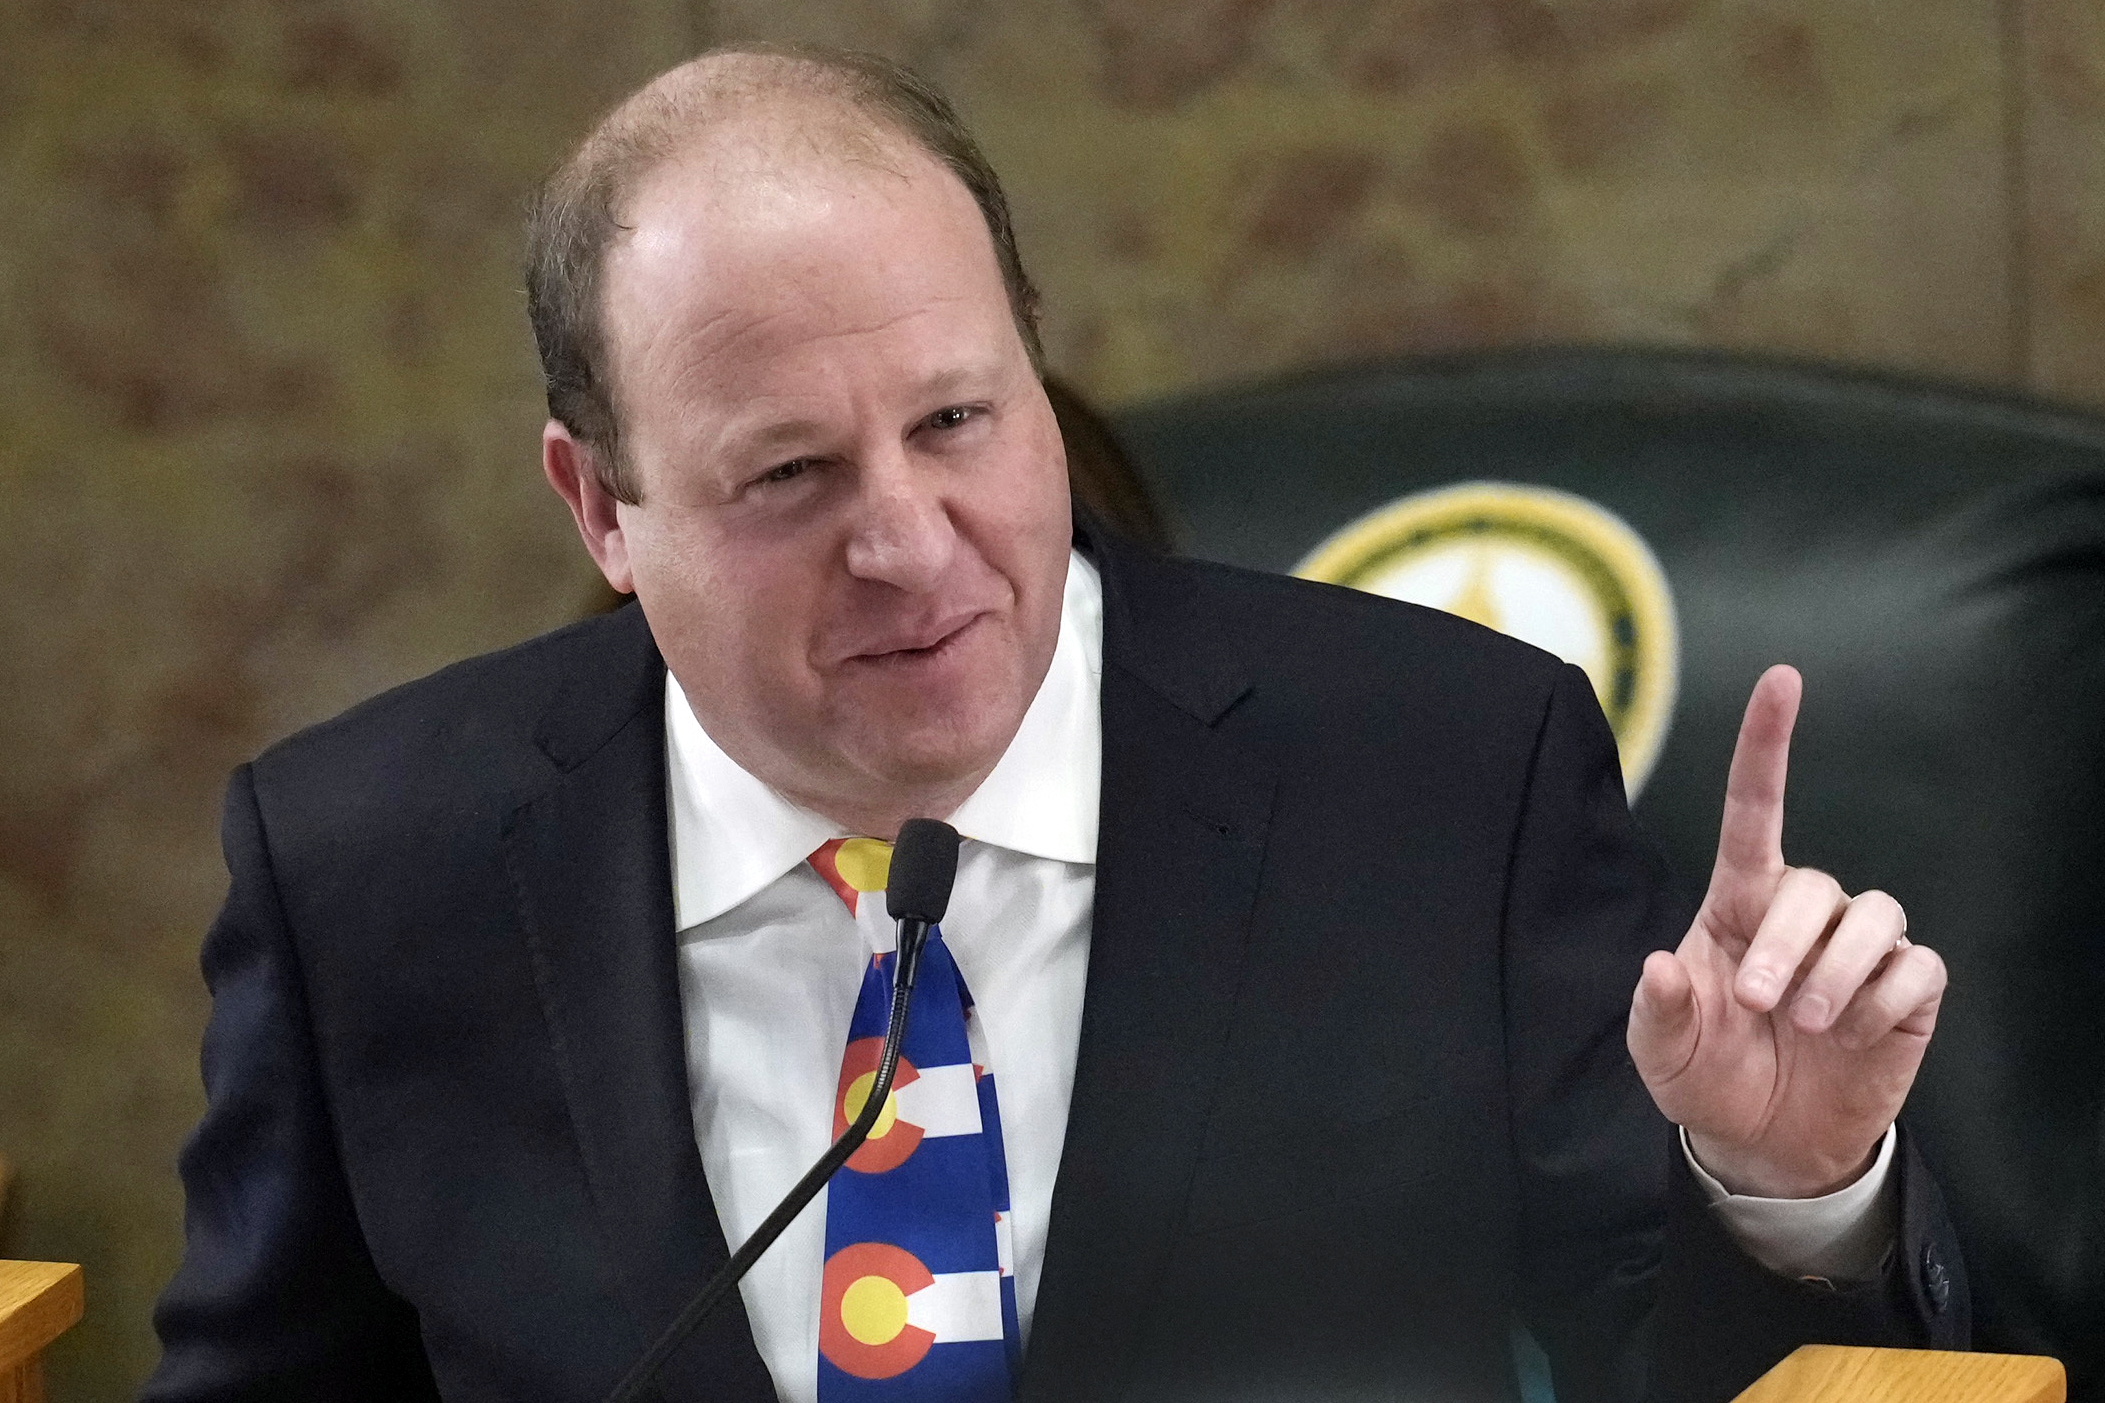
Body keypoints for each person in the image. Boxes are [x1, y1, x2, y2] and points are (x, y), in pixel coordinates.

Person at [143, 45, 1964, 1403]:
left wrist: (1781, 1191)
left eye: (954, 423)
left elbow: (1686, 1365)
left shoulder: (1433, 781)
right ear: (599, 507)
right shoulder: (367, 871)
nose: (906, 545)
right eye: (786, 472)